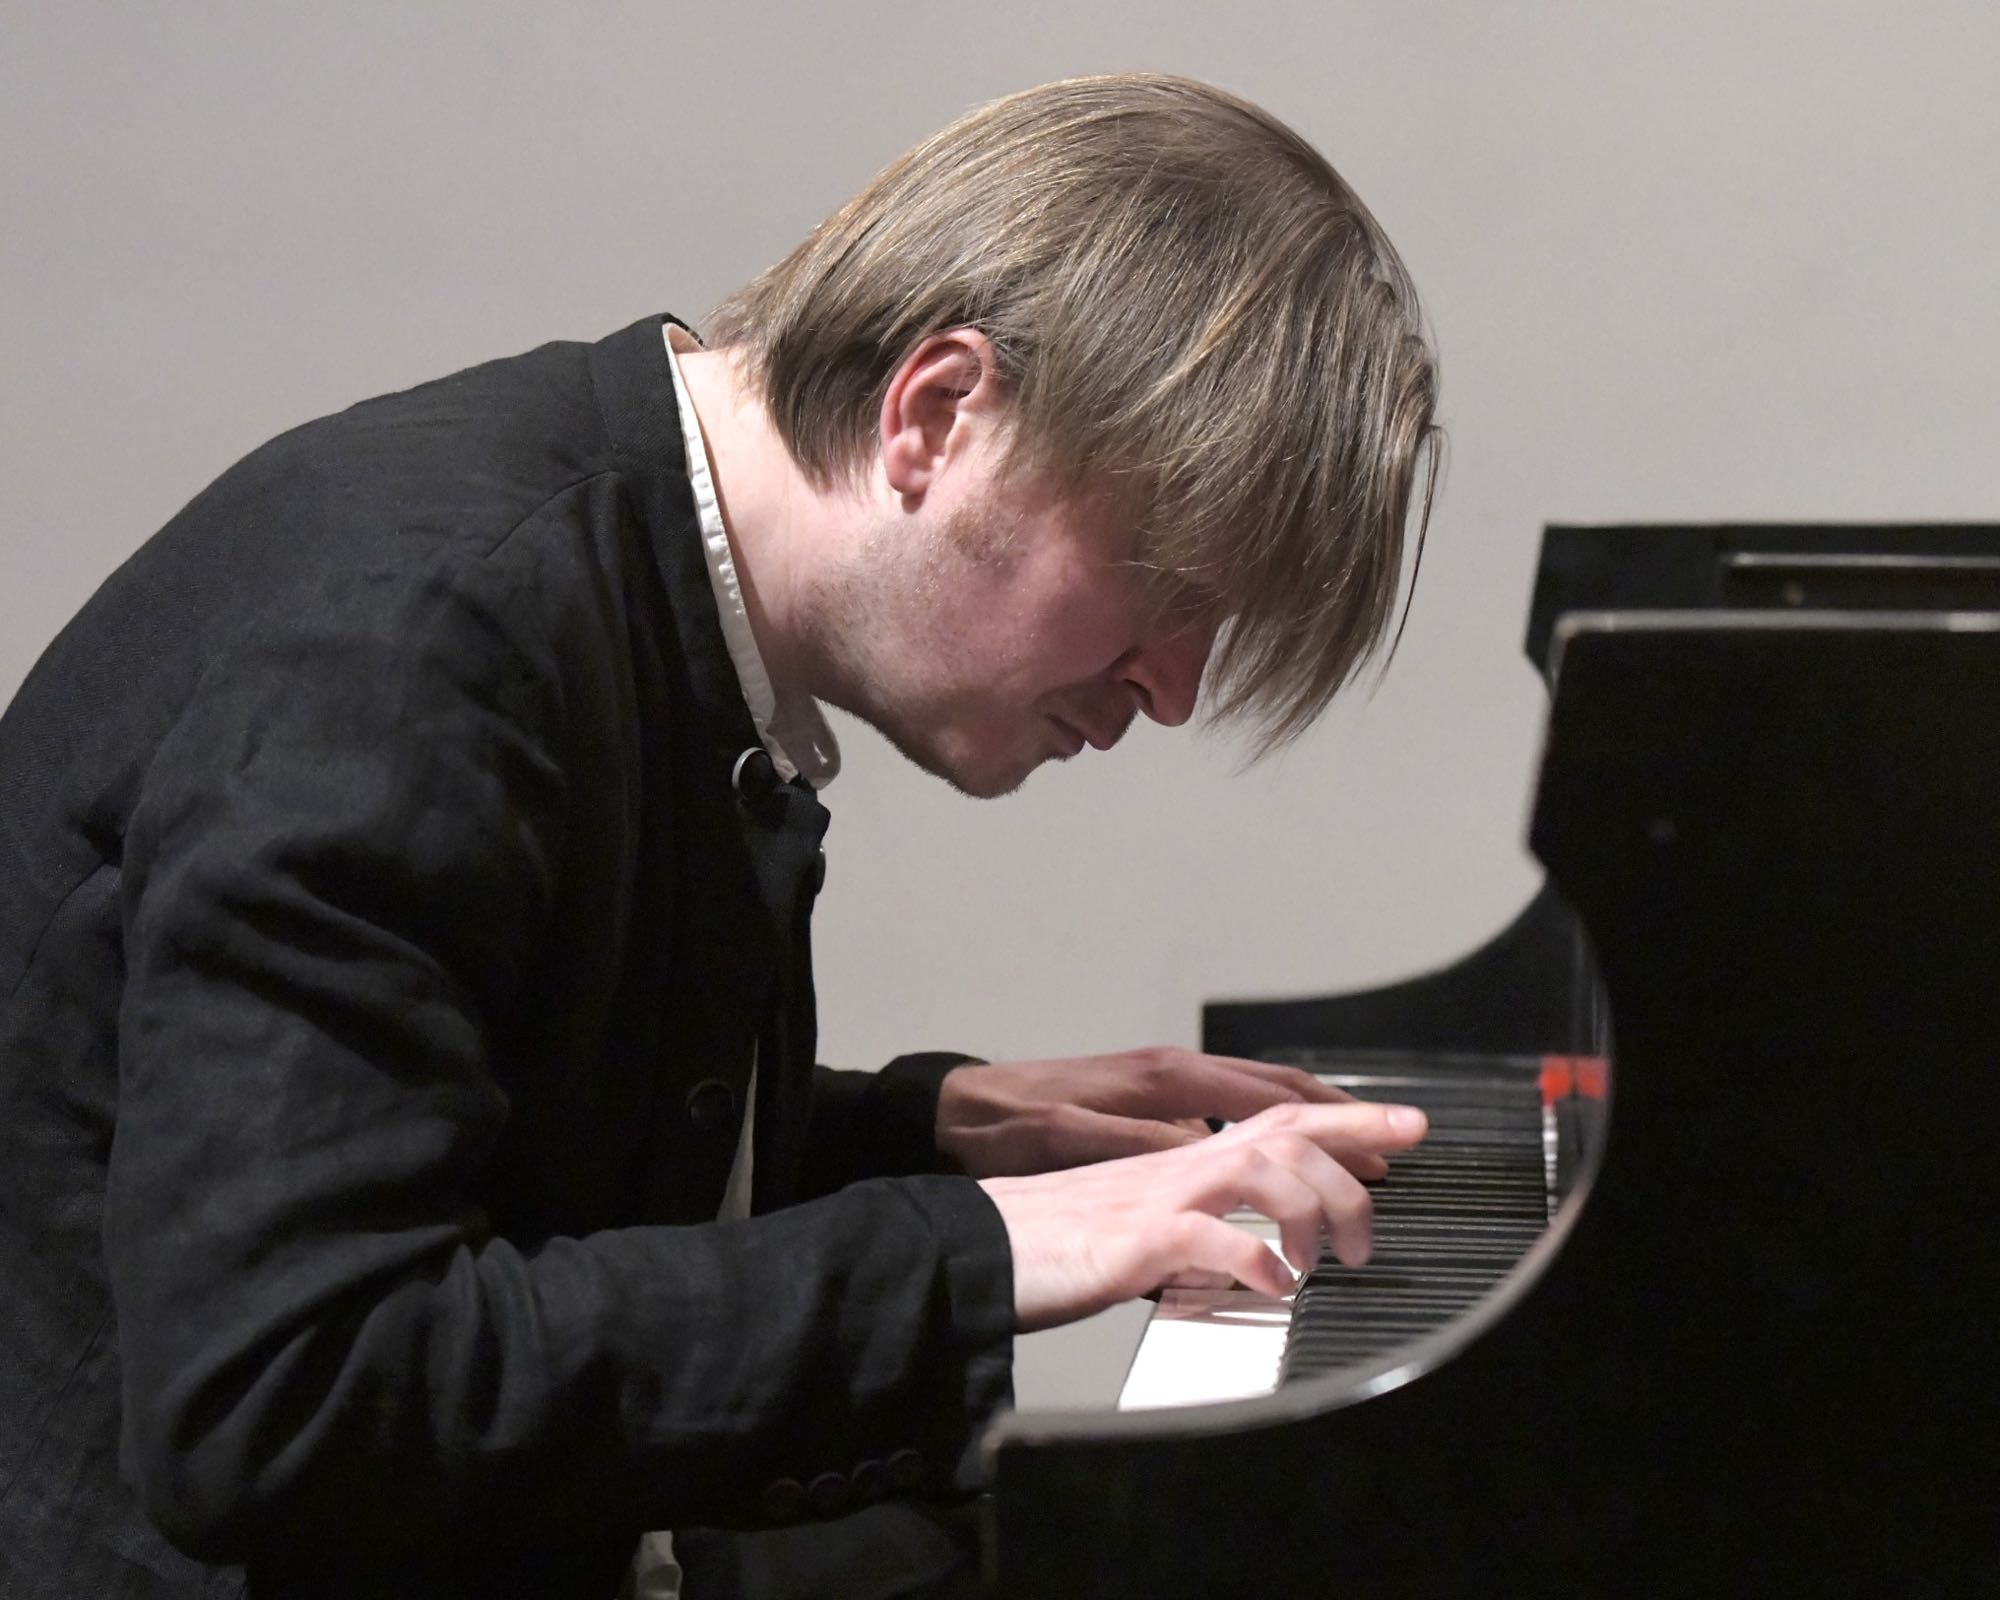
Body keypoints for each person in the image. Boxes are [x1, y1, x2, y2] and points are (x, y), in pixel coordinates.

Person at [0, 73, 1440, 1600]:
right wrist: (987, 1246)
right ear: (939, 414)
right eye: (1169, 581)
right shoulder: (415, 654)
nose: (1176, 688)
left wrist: (919, 1132)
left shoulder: (614, 567)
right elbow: (287, 1391)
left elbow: (470, 1131)